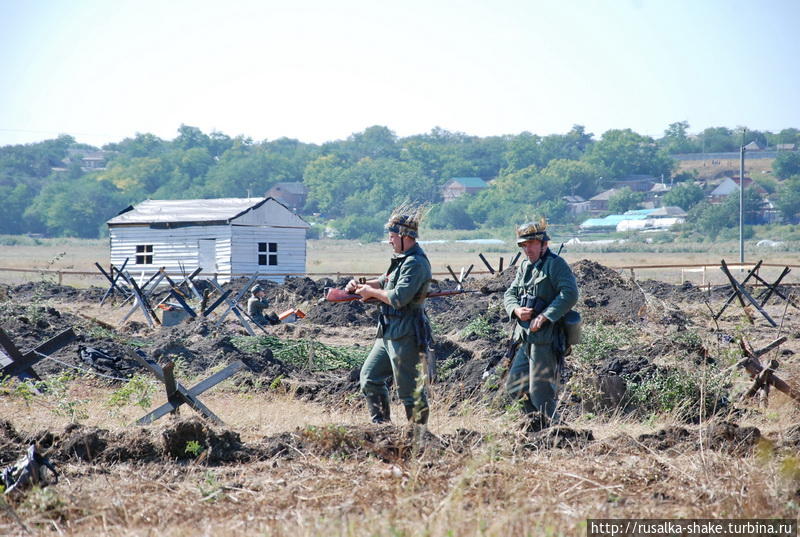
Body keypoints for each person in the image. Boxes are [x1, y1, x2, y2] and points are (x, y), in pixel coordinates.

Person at [346, 204, 433, 425]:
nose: (389, 240)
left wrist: (370, 292)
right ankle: (382, 428)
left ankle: (419, 435)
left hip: (406, 333)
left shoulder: (416, 263)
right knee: (370, 378)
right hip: (387, 332)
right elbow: (384, 281)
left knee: (409, 390)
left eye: (392, 236)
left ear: (405, 237)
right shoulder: (402, 260)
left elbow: (398, 297)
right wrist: (359, 285)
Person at [503, 217, 579, 426]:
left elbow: (570, 294)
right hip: (526, 338)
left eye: (531, 244)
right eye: (523, 245)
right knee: (515, 388)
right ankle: (538, 428)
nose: (527, 249)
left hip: (546, 340)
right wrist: (516, 310)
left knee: (541, 394)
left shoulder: (556, 265)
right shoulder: (525, 267)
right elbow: (510, 293)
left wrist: (545, 316)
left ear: (543, 243)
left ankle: (559, 435)